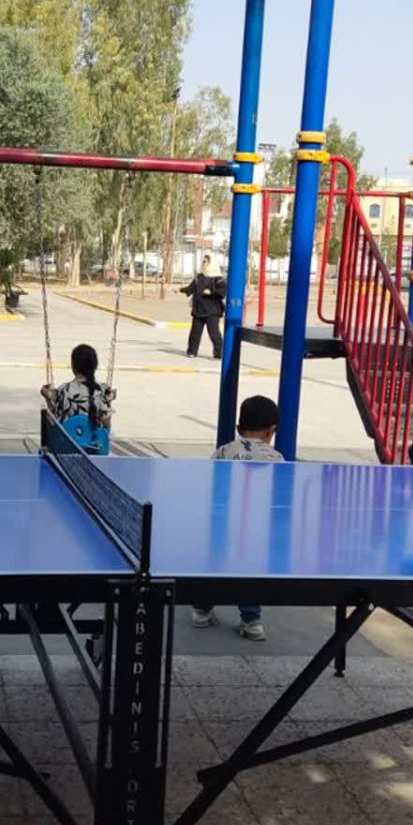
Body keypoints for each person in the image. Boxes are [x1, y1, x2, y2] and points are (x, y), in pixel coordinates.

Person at [192, 394, 284, 640]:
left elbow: (209, 483)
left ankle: (201, 611)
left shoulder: (224, 451)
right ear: (271, 431)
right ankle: (251, 622)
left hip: (222, 525)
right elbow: (280, 497)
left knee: (215, 567)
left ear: (238, 428)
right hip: (256, 529)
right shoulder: (277, 458)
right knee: (249, 573)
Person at [41, 343, 115, 436]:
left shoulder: (63, 390)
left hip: (67, 442)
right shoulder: (103, 390)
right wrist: (108, 399)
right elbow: (106, 424)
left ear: (73, 366)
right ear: (95, 366)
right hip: (93, 443)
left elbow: (54, 422)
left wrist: (47, 398)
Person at [180, 255, 225, 359]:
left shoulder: (218, 279)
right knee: (195, 333)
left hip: (212, 311)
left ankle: (219, 353)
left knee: (214, 333)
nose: (203, 264)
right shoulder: (199, 277)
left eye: (205, 262)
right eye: (203, 261)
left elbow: (222, 292)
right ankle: (192, 351)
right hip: (198, 309)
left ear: (211, 263)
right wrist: (180, 290)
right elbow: (190, 289)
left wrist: (211, 292)